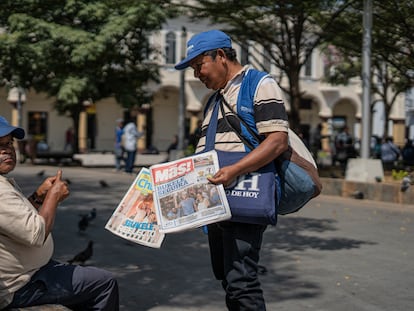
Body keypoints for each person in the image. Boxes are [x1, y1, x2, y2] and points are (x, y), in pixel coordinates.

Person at [175, 30, 289, 310]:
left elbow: (277, 141)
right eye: (192, 69)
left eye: (199, 65)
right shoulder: (214, 101)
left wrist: (234, 170)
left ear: (221, 57)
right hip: (216, 203)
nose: (196, 75)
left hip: (245, 196)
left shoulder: (258, 84)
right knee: (228, 278)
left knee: (242, 281)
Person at [0, 116, 119, 310]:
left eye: (9, 143)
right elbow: (36, 234)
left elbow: (17, 221)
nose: (7, 150)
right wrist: (52, 198)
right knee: (104, 283)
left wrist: (38, 197)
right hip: (22, 284)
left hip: (33, 271)